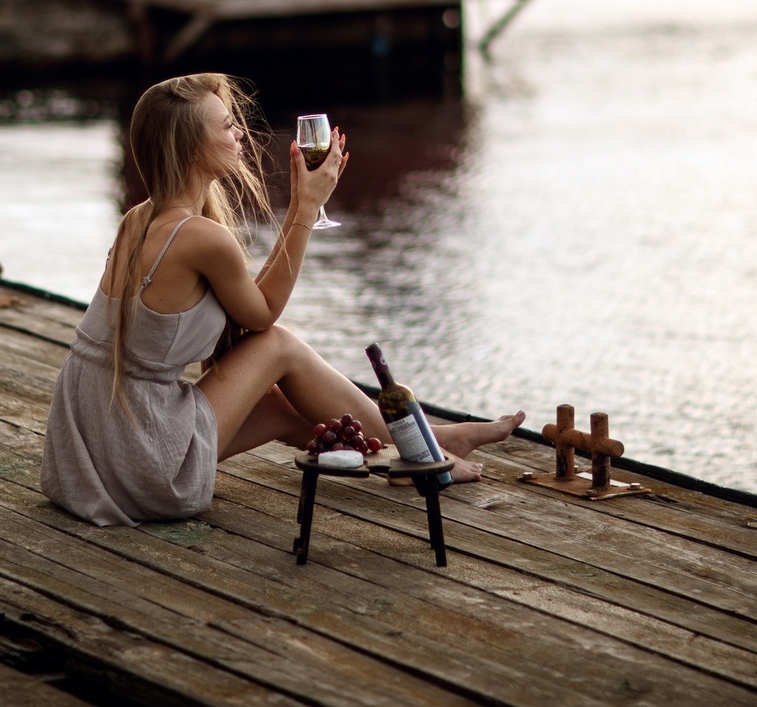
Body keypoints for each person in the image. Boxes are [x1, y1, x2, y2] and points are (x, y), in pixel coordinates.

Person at [42, 73, 525, 526]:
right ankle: (424, 455)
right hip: (140, 459)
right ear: (190, 148)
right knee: (280, 346)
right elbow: (264, 319)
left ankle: (422, 449)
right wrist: (305, 206)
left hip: (89, 446)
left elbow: (248, 307)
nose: (241, 137)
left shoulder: (140, 219)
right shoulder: (199, 237)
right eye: (228, 126)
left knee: (281, 408)